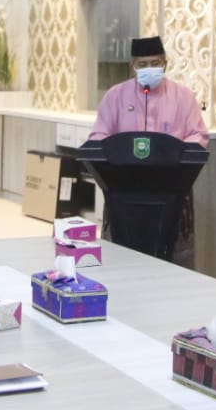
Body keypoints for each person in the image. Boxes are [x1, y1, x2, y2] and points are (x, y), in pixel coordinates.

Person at [88, 35, 208, 263]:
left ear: (165, 63)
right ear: (133, 66)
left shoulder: (183, 96)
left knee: (174, 259)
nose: (149, 68)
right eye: (142, 64)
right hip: (123, 187)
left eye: (155, 63)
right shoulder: (115, 96)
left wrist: (177, 153)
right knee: (121, 259)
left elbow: (198, 135)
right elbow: (98, 136)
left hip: (171, 187)